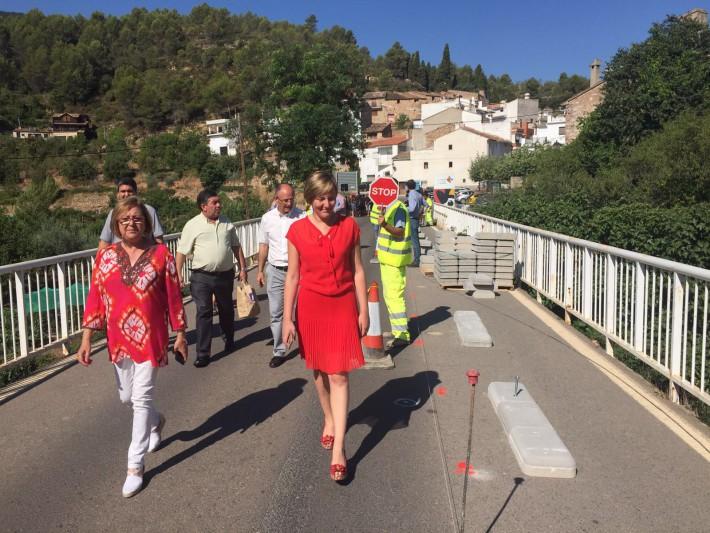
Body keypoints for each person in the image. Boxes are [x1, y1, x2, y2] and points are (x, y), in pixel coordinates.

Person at [77, 197, 187, 498]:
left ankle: (134, 467)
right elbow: (95, 298)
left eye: (137, 218)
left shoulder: (161, 254)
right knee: (127, 397)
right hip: (118, 339)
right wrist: (86, 338)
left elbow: (174, 297)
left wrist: (180, 333)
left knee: (141, 398)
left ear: (146, 223)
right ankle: (156, 420)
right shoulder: (106, 257)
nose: (131, 223)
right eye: (125, 219)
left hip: (151, 338)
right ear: (116, 224)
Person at [282, 171, 368, 482]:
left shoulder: (349, 227)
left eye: (331, 197)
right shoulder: (296, 231)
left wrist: (364, 310)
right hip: (311, 308)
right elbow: (293, 276)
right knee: (319, 371)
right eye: (320, 198)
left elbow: (357, 271)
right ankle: (330, 418)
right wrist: (287, 318)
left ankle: (339, 450)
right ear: (310, 199)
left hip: (343, 306)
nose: (326, 204)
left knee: (339, 375)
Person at [175, 190, 247, 368]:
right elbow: (181, 252)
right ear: (203, 206)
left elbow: (236, 246)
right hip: (201, 276)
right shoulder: (192, 225)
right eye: (214, 203)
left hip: (225, 275)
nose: (219, 205)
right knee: (203, 312)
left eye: (219, 202)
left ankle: (229, 339)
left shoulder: (226, 222)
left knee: (226, 309)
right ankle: (203, 354)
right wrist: (177, 274)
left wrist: (243, 268)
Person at [256, 183, 304, 368]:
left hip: (298, 271)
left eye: (291, 199)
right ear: (276, 199)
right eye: (285, 200)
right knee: (276, 313)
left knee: (301, 311)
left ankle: (307, 345)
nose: (289, 203)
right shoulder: (267, 219)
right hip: (275, 270)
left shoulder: (302, 217)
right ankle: (279, 350)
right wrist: (260, 270)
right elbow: (263, 245)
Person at [377, 192, 412, 349]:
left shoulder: (398, 208)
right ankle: (397, 330)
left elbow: (400, 231)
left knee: (394, 297)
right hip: (388, 260)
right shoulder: (389, 207)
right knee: (389, 297)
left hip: (394, 262)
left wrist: (384, 224)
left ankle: (402, 335)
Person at [98, 177, 164, 249]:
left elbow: (158, 239)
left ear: (136, 193)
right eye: (123, 191)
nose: (126, 194)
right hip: (119, 254)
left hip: (145, 253)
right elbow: (104, 242)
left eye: (129, 191)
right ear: (118, 194)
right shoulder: (113, 213)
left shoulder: (149, 210)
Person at [406, 179, 424, 267]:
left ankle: (417, 260)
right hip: (416, 218)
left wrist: (405, 209)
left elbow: (412, 208)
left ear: (407, 186)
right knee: (416, 239)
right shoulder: (419, 194)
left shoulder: (411, 194)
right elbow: (425, 204)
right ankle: (417, 258)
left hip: (412, 219)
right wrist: (420, 212)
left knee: (414, 240)